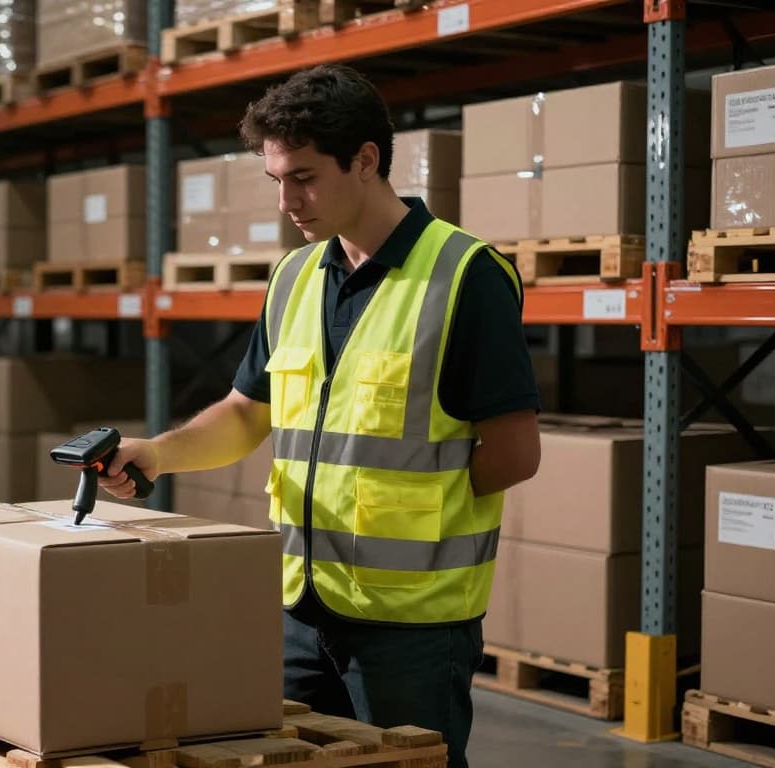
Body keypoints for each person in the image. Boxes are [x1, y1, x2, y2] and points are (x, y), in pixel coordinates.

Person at [98, 63, 541, 768]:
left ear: (365, 160)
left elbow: (515, 453)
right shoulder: (294, 276)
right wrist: (157, 452)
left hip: (412, 628)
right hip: (301, 610)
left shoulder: (465, 276)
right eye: (276, 179)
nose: (286, 201)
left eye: (302, 176)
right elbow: (249, 413)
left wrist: (416, 512)